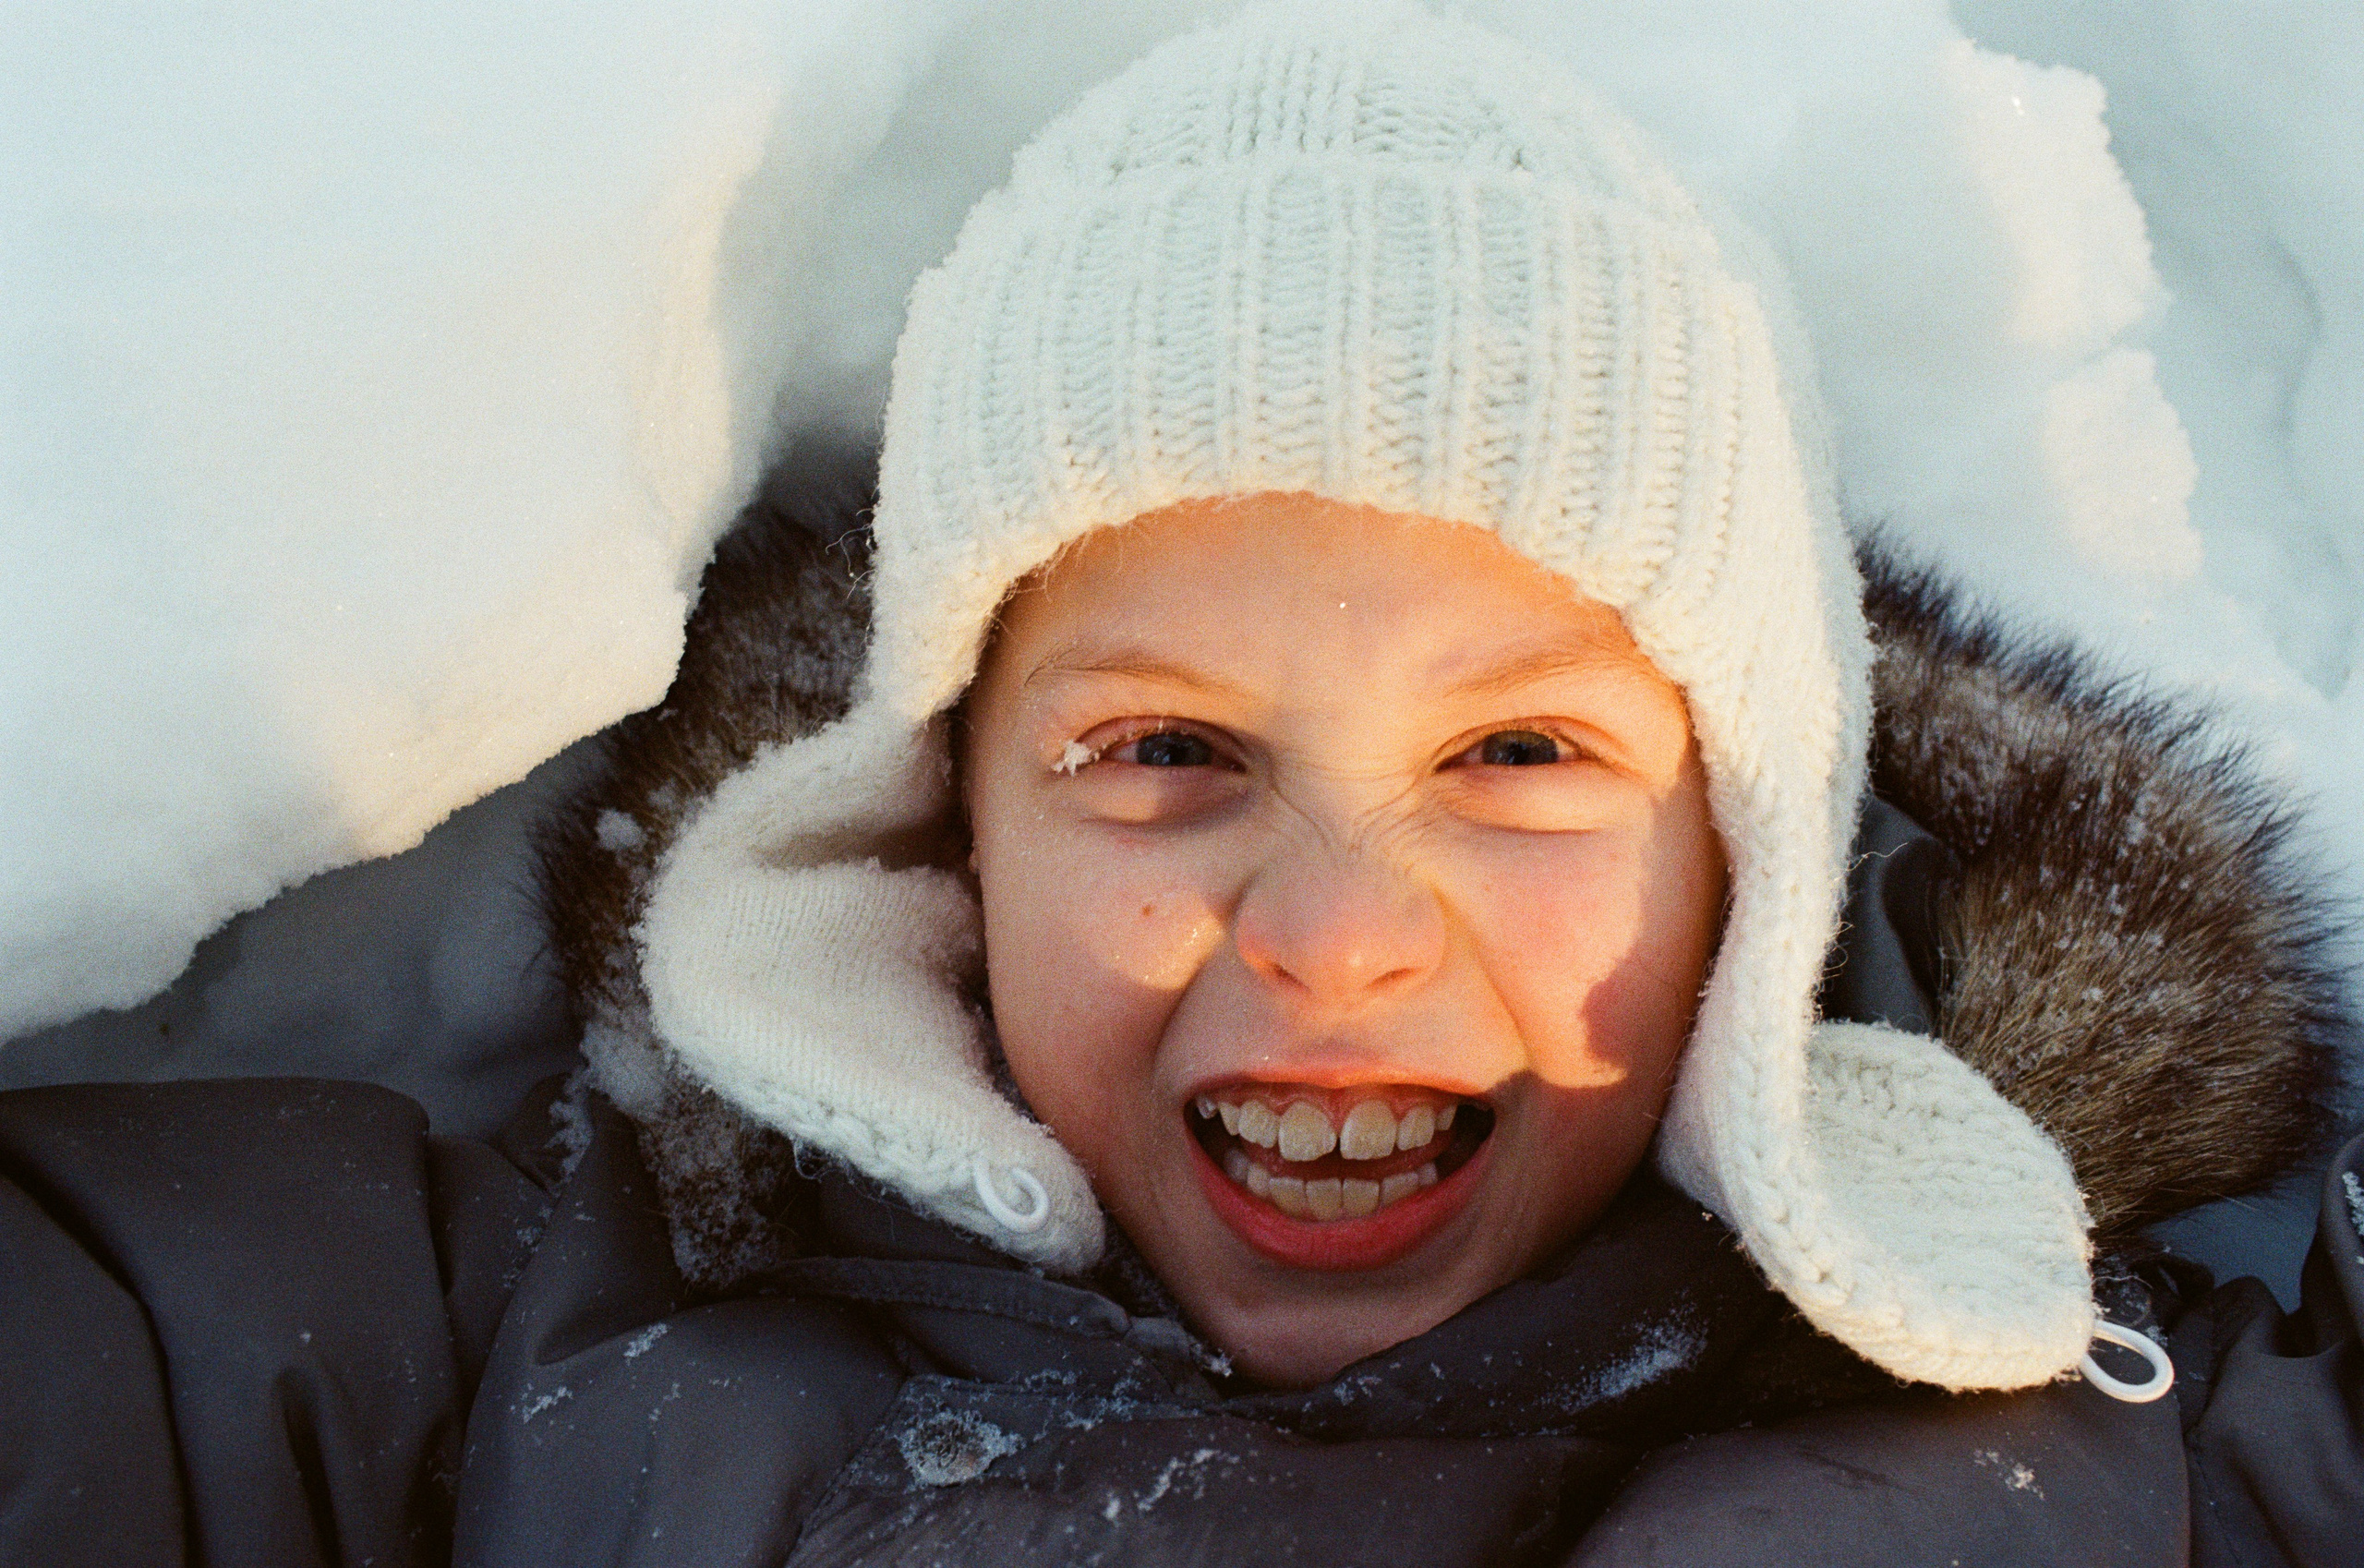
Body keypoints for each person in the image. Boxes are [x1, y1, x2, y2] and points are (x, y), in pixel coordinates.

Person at [4, 5, 2358, 1564]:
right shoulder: (501, 1335)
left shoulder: (2138, 1453)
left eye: (1519, 752)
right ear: (932, 830)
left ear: (1749, 836)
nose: (1332, 929)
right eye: (1160, 754)